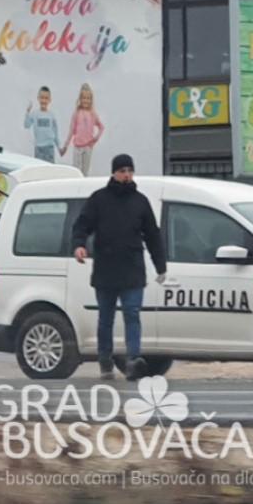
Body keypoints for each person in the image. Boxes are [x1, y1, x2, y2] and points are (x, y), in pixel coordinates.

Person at [71, 154, 167, 381]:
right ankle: (105, 360)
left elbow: (153, 235)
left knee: (132, 314)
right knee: (106, 317)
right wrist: (78, 245)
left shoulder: (140, 202)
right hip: (106, 268)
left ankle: (134, 360)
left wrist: (160, 265)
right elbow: (82, 225)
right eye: (122, 171)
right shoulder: (99, 199)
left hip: (132, 268)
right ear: (114, 172)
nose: (126, 175)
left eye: (130, 171)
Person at [60, 83, 104, 176]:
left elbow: (101, 127)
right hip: (77, 147)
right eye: (84, 98)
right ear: (80, 99)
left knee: (85, 171)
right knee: (76, 171)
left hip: (88, 147)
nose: (86, 101)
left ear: (91, 100)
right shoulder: (76, 113)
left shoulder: (93, 114)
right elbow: (71, 131)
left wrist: (95, 139)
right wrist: (65, 146)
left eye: (88, 98)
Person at [24, 86, 60, 163]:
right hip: (38, 148)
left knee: (49, 169)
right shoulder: (35, 114)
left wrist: (59, 147)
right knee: (39, 169)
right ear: (38, 98)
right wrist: (27, 112)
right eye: (42, 98)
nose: (44, 100)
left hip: (49, 147)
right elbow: (26, 125)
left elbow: (55, 132)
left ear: (50, 100)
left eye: (46, 98)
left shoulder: (52, 115)